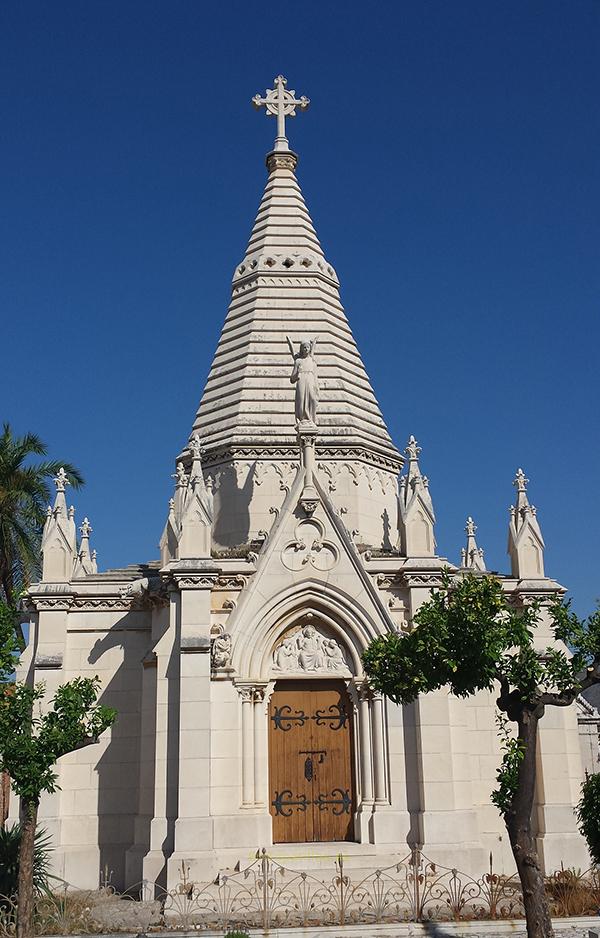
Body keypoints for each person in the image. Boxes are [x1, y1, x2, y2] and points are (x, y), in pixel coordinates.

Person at [287, 337, 318, 425]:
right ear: (301, 349)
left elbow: (313, 351)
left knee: (312, 399)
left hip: (310, 380)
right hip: (301, 380)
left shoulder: (312, 360)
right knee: (301, 399)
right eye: (304, 347)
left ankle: (311, 419)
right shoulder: (298, 361)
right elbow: (292, 379)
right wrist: (297, 374)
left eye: (307, 347)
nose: (306, 349)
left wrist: (314, 342)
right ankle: (303, 419)